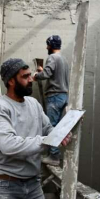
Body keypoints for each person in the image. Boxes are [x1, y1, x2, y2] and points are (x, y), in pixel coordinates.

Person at [0, 58, 71, 199]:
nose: (31, 79)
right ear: (11, 81)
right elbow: (9, 145)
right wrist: (48, 141)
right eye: (25, 77)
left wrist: (60, 133)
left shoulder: (34, 104)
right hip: (6, 186)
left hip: (33, 184)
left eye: (30, 75)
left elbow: (48, 128)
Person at [34, 35, 69, 166]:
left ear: (51, 45)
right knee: (59, 127)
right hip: (63, 96)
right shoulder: (63, 59)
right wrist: (44, 70)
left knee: (52, 126)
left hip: (54, 96)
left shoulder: (52, 57)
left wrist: (36, 75)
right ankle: (55, 155)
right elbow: (54, 74)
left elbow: (47, 75)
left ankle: (54, 156)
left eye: (47, 44)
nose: (46, 47)